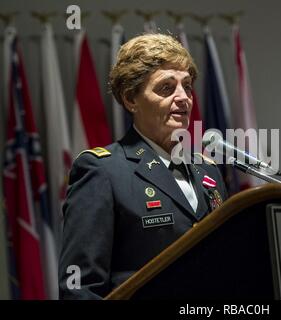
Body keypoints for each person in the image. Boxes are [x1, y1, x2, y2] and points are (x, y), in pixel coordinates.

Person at [58, 34, 228, 299]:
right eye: (166, 88)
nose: (184, 98)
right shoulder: (103, 171)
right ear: (131, 99)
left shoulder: (207, 170)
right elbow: (79, 288)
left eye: (188, 86)